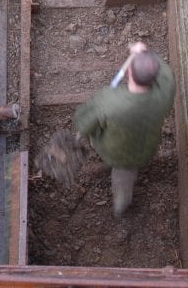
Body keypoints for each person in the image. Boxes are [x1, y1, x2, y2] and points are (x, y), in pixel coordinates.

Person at [72, 42, 175, 217]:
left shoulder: (110, 101)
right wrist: (145, 53)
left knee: (121, 176)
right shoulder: (165, 93)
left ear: (128, 72)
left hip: (116, 153)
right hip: (145, 149)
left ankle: (120, 208)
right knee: (127, 175)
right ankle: (121, 204)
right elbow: (167, 75)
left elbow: (83, 122)